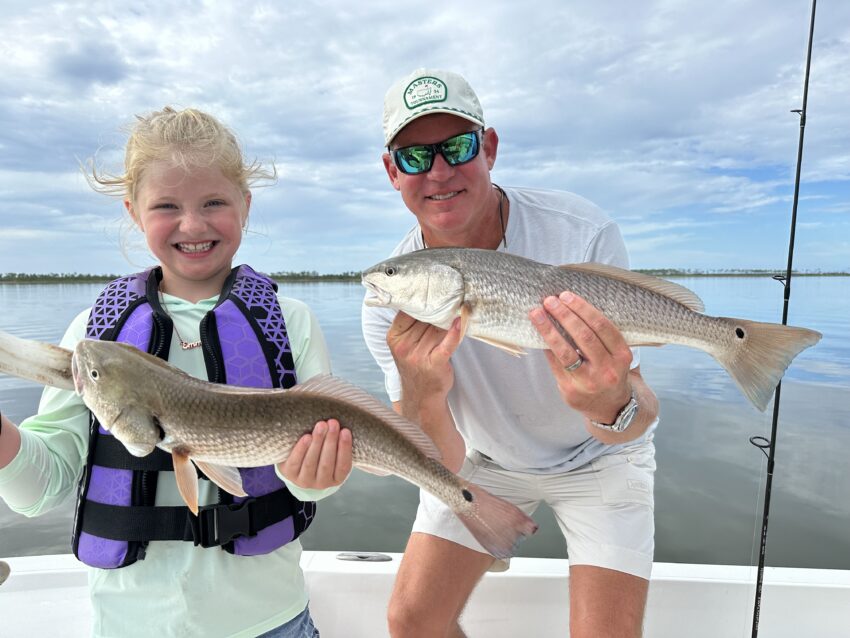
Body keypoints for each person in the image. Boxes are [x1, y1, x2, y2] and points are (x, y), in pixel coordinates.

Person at [0, 107, 353, 638]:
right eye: (167, 206)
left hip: (271, 620)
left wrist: (315, 478)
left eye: (214, 202)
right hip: (128, 625)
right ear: (134, 212)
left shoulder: (290, 322)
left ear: (246, 205)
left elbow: (311, 489)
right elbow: (39, 490)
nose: (192, 225)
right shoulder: (94, 336)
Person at [362, 69, 660, 638]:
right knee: (411, 620)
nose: (440, 171)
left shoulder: (580, 233)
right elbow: (441, 463)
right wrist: (422, 394)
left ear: (490, 148)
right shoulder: (390, 298)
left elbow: (639, 417)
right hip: (484, 462)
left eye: (457, 146)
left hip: (600, 458)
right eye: (416, 156)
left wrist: (607, 402)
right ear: (392, 171)